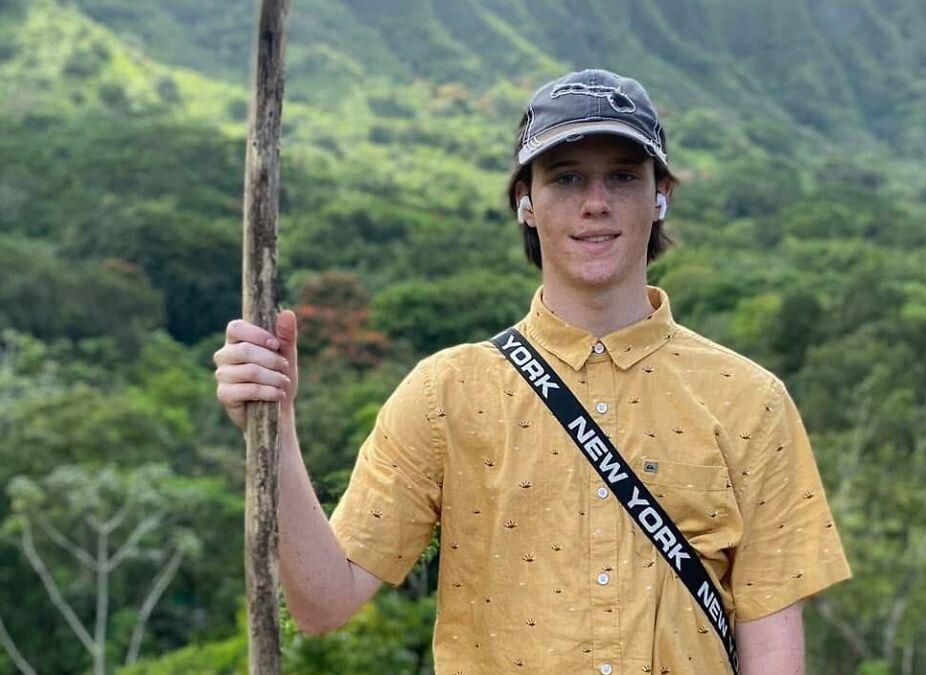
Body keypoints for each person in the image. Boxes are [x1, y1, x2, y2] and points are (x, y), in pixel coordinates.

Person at [213, 68, 851, 674]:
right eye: (567, 178)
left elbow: (771, 643)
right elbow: (325, 601)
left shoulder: (750, 401)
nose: (595, 203)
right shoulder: (446, 393)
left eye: (623, 177)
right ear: (526, 200)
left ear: (660, 197)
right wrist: (275, 427)